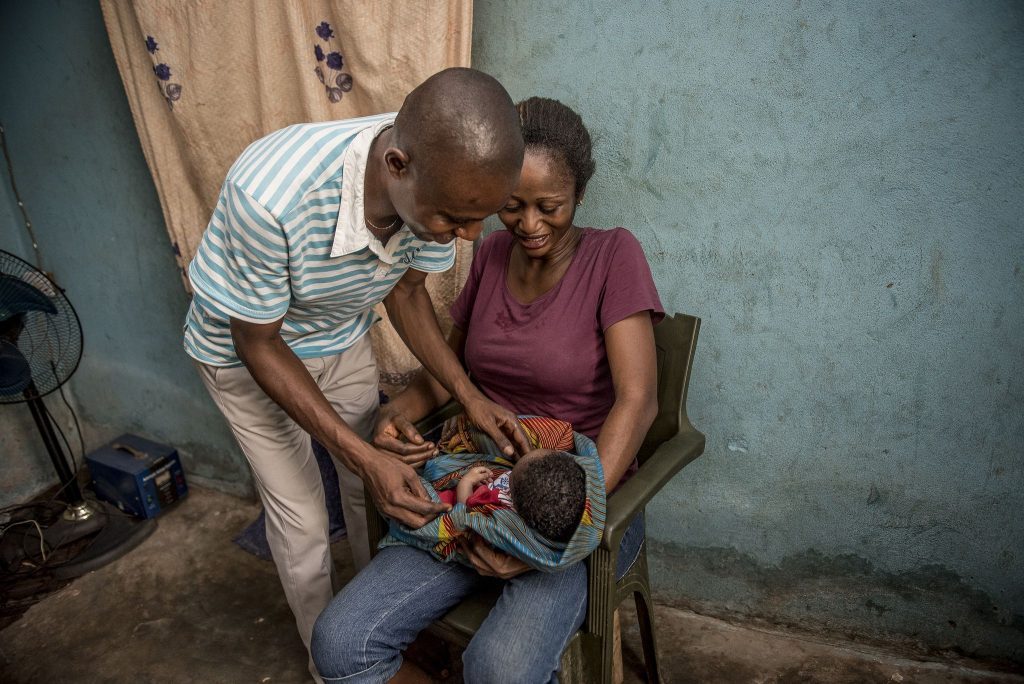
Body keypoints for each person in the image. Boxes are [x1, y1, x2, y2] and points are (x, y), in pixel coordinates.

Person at [182, 67, 531, 673]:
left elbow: (407, 295)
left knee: (376, 493)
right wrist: (362, 454)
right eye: (455, 219)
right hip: (249, 354)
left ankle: (375, 627)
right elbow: (259, 344)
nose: (471, 235)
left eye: (481, 218)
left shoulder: (440, 186)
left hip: (340, 335)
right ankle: (334, 664)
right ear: (397, 166)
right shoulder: (270, 195)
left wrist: (469, 397)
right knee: (306, 521)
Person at [311, 96, 665, 683]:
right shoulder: (494, 252)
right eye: (512, 206)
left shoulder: (613, 255)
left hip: (571, 505)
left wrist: (554, 527)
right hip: (473, 487)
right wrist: (397, 412)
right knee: (342, 644)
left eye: (550, 206)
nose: (529, 225)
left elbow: (639, 401)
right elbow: (453, 369)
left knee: (500, 670)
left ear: (579, 193)